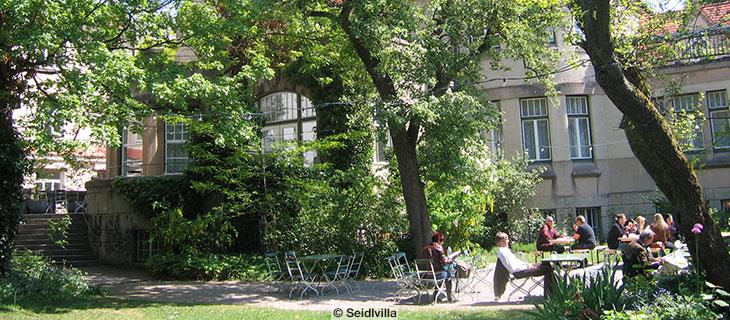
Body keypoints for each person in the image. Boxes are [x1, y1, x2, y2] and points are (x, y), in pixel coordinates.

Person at [494, 232, 554, 298]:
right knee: (548, 269)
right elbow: (513, 268)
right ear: (502, 241)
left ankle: (551, 293)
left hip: (522, 269)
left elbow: (515, 262)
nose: (508, 241)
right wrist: (527, 267)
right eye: (507, 239)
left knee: (546, 263)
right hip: (519, 272)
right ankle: (549, 295)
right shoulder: (503, 252)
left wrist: (528, 265)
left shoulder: (504, 250)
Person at [422, 232, 453, 302]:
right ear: (438, 240)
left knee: (441, 274)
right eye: (442, 241)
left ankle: (436, 296)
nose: (442, 242)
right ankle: (449, 298)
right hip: (437, 274)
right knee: (447, 275)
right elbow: (444, 261)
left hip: (427, 274)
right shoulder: (438, 248)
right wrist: (449, 260)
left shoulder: (425, 248)